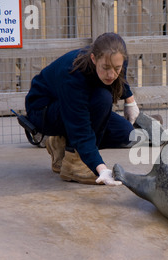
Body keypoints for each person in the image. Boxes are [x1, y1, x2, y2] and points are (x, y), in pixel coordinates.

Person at [25, 32, 141, 186]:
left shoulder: (117, 59)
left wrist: (129, 101)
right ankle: (75, 163)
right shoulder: (72, 74)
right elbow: (81, 130)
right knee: (102, 98)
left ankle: (59, 142)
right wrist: (100, 168)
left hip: (75, 105)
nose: (111, 74)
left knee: (126, 132)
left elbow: (121, 78)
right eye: (105, 67)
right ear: (93, 59)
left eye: (117, 68)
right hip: (44, 110)